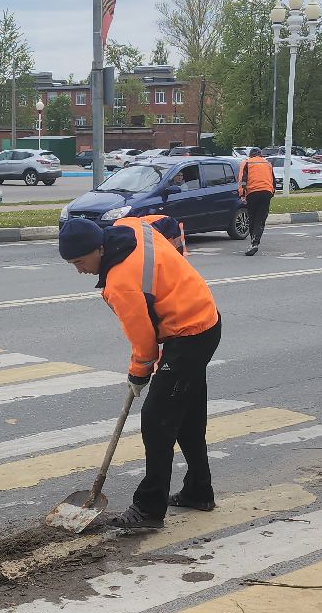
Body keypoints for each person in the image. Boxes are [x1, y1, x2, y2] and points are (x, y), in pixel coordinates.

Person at [57, 214, 222, 531]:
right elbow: (165, 222)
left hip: (188, 335)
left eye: (80, 261)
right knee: (187, 417)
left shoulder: (121, 283)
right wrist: (177, 256)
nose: (79, 270)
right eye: (72, 264)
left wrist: (138, 375)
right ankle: (199, 491)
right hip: (206, 319)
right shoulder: (130, 225)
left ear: (99, 248)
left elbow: (144, 344)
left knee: (156, 420)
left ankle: (148, 509)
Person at [238, 147, 276, 256]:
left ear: (250, 155)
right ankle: (256, 242)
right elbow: (273, 180)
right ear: (260, 155)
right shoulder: (267, 164)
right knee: (260, 219)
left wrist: (242, 194)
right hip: (266, 192)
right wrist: (272, 193)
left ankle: (253, 243)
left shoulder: (246, 163)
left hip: (252, 193)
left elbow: (242, 180)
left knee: (252, 218)